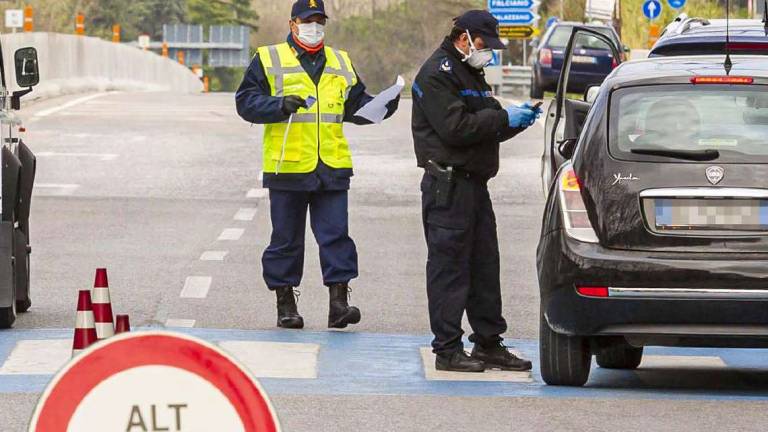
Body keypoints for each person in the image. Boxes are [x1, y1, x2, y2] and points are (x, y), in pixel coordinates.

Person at [235, 0, 399, 330]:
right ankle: (286, 305)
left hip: (332, 166)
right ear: (293, 24)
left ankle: (339, 305)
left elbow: (355, 106)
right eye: (307, 21)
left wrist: (383, 106)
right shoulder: (268, 58)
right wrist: (278, 105)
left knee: (336, 236)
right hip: (289, 166)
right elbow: (245, 103)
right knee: (286, 240)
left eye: (319, 20)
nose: (314, 27)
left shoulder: (340, 61)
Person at [411, 10, 541, 372]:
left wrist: (516, 120)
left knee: (485, 266)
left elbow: (489, 123)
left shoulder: (471, 73)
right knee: (449, 268)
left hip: (474, 185)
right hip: (447, 186)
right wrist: (502, 119)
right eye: (485, 44)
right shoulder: (436, 74)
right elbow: (455, 128)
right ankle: (448, 349)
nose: (489, 52)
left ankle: (488, 343)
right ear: (464, 38)